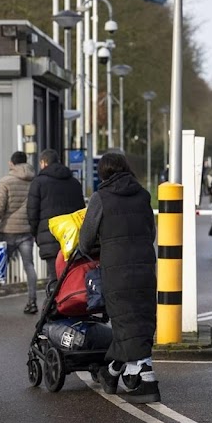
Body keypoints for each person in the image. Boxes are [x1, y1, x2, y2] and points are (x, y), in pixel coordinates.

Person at [78, 152, 161, 404]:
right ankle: (112, 372)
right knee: (140, 321)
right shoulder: (143, 195)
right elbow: (151, 232)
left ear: (102, 173)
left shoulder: (100, 198)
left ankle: (145, 378)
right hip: (145, 268)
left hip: (117, 270)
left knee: (124, 323)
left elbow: (85, 241)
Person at [26, 148, 85, 314]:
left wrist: (35, 233)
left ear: (44, 163)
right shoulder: (74, 182)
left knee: (54, 276)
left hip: (50, 236)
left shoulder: (38, 182)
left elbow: (32, 211)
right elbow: (81, 211)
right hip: (72, 237)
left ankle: (53, 312)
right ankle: (70, 308)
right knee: (70, 274)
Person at [0, 151, 36, 312]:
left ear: (12, 163)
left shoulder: (6, 182)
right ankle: (32, 302)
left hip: (8, 231)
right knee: (29, 266)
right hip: (27, 231)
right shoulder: (34, 181)